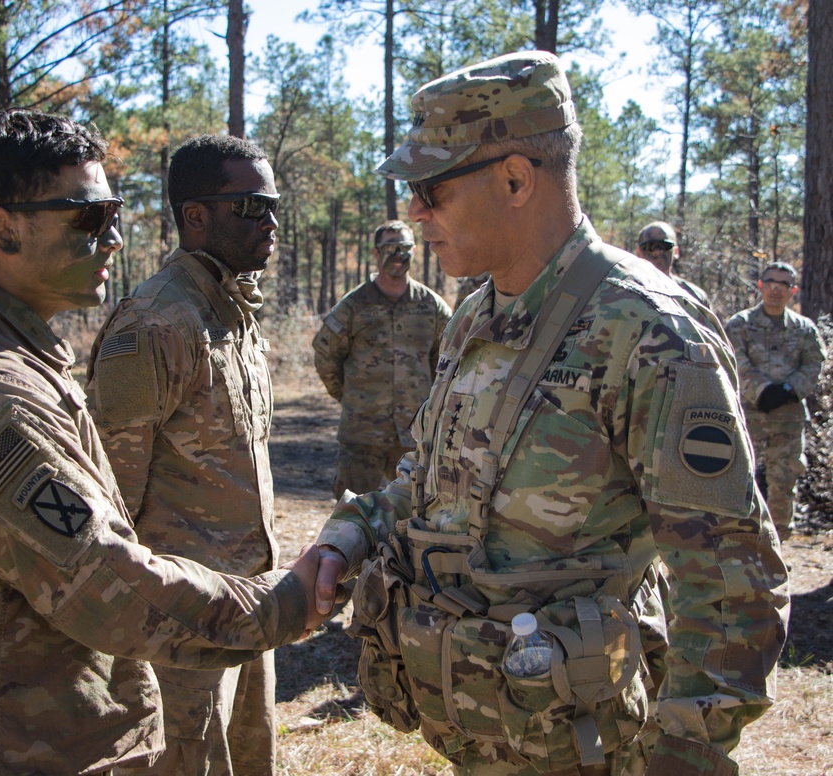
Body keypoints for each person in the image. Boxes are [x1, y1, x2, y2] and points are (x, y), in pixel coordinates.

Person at [311, 51, 788, 776]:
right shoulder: (477, 314)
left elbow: (733, 581)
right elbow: (432, 484)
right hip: (488, 737)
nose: (413, 212)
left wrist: (685, 756)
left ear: (513, 178)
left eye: (430, 188)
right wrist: (349, 536)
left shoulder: (649, 330)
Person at [0, 109, 323, 776]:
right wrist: (283, 604)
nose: (116, 240)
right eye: (89, 218)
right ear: (1, 230)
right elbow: (104, 580)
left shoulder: (4, 355)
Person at [85, 134, 282, 776]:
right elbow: (108, 507)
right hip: (183, 625)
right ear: (195, 216)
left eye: (275, 204)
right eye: (254, 206)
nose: (272, 221)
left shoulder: (233, 309)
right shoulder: (156, 323)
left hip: (252, 600)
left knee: (251, 757)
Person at [312, 219, 452, 498]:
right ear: (376, 253)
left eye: (405, 248)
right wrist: (352, 398)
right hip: (362, 437)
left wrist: (431, 407)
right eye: (390, 248)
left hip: (415, 436)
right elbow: (326, 356)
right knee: (352, 516)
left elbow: (448, 362)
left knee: (415, 517)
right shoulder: (354, 305)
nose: (398, 255)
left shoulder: (431, 306)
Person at [724, 262, 827, 541]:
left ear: (792, 291)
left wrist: (789, 390)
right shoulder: (739, 324)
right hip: (748, 418)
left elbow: (815, 363)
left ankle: (779, 546)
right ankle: (743, 545)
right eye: (770, 282)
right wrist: (762, 390)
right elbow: (734, 362)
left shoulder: (804, 329)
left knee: (784, 484)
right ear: (760, 285)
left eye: (783, 284)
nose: (775, 289)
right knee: (741, 482)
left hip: (788, 420)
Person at [635, 220, 711, 307]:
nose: (657, 252)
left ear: (676, 251)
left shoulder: (694, 297)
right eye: (649, 246)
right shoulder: (624, 293)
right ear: (638, 253)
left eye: (665, 246)